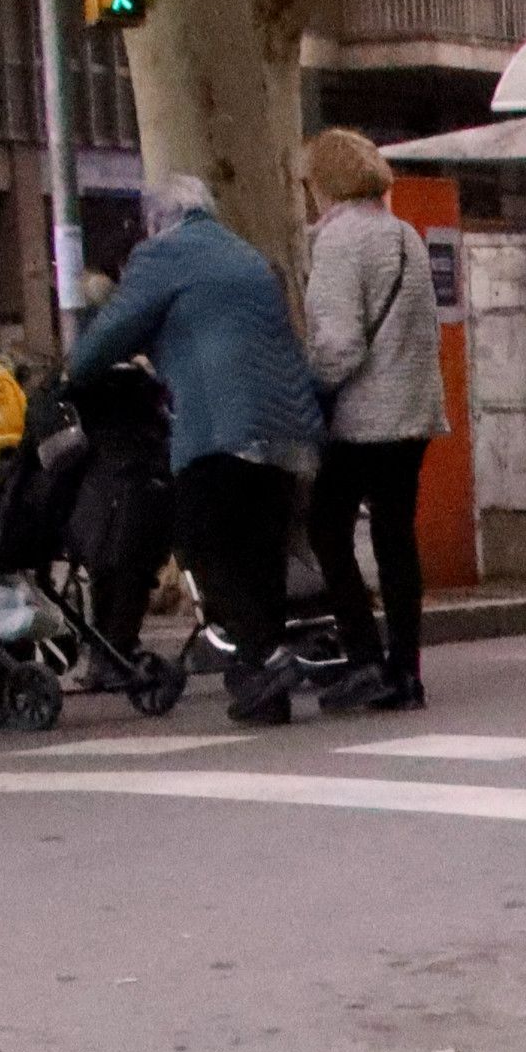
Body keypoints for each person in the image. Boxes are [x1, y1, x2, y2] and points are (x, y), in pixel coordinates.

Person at [68, 176, 324, 724]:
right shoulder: (246, 255)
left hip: (220, 427)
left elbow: (116, 329)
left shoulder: (163, 256)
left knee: (198, 539)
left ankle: (268, 657)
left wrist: (71, 373)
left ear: (155, 220)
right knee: (259, 555)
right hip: (286, 425)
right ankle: (263, 684)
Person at [298, 127, 445, 716]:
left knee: (327, 527)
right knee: (395, 537)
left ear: (322, 184)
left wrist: (311, 390)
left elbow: (339, 346)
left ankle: (363, 659)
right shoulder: (404, 234)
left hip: (363, 417)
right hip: (414, 412)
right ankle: (405, 670)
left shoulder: (338, 244)